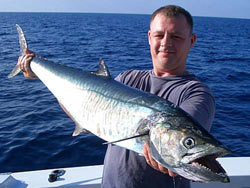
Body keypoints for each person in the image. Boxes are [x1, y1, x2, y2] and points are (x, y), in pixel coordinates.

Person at [18, 5, 215, 188]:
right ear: (149, 37)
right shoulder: (127, 78)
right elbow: (86, 116)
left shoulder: (196, 92)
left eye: (176, 36)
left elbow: (183, 132)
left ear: (192, 41)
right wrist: (40, 72)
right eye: (159, 35)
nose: (166, 43)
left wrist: (177, 150)